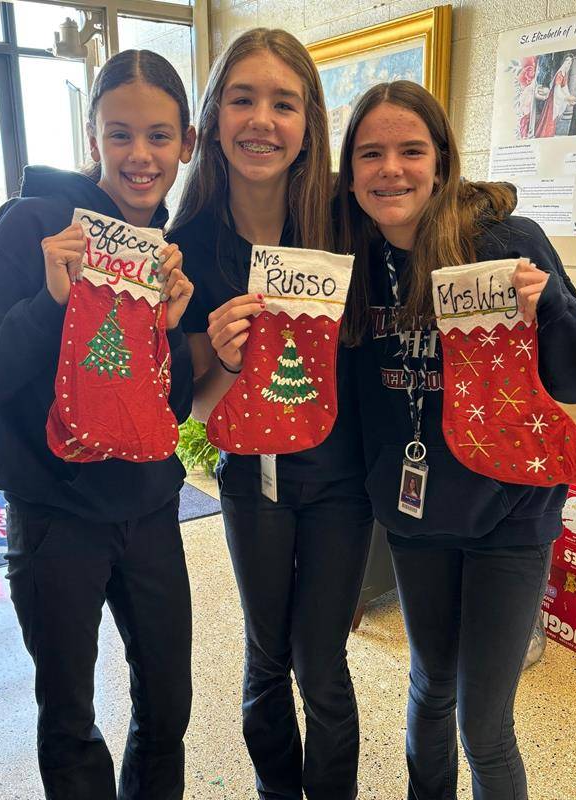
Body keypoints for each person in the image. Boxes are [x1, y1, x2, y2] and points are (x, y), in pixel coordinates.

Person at [335, 80, 576, 800]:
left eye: (411, 150)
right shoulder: (353, 261)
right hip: (416, 511)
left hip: (511, 512)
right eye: (370, 153)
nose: (391, 169)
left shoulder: (503, 244)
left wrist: (548, 306)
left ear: (441, 160)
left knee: (484, 724)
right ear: (350, 171)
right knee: (430, 686)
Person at [0, 50, 196, 800]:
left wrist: (172, 335)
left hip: (150, 510)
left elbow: (169, 410)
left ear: (185, 143)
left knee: (168, 708)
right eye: (120, 134)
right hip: (54, 516)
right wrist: (51, 300)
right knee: (69, 719)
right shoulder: (32, 225)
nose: (140, 155)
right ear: (93, 139)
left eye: (159, 135)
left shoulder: (161, 252)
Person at [168, 28, 373, 800]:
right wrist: (221, 358)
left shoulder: (345, 220)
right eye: (242, 99)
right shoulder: (189, 247)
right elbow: (193, 408)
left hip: (341, 482)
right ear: (215, 118)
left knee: (321, 666)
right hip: (251, 481)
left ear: (309, 123)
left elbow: (422, 215)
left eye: (283, 103)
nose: (261, 120)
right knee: (266, 659)